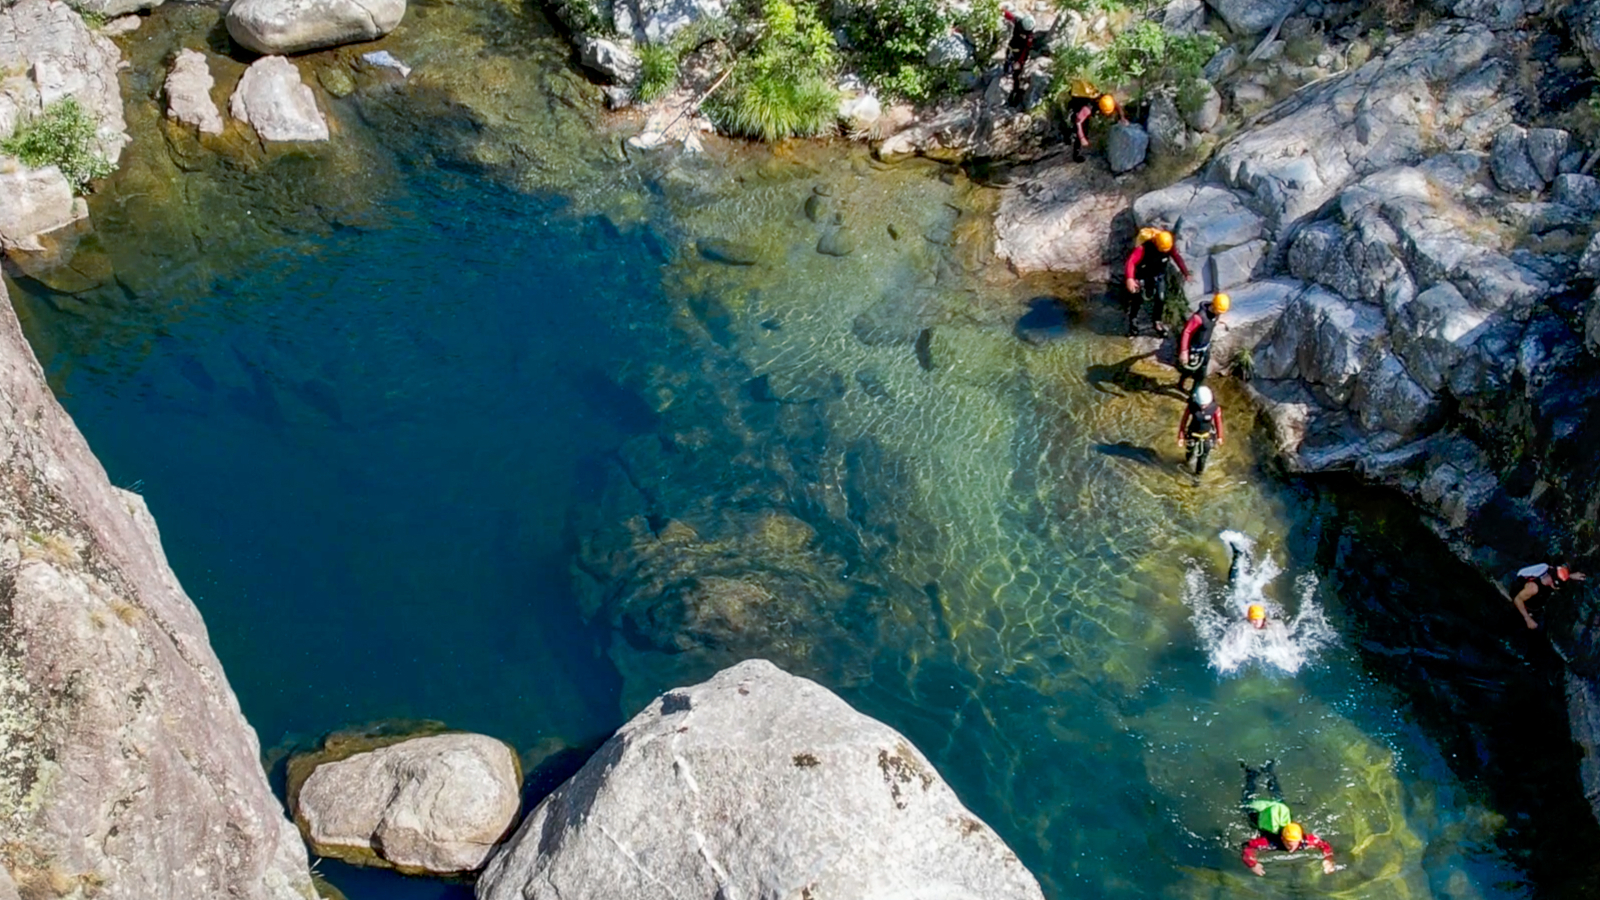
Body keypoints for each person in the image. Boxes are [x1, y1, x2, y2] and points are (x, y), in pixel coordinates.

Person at [1239, 761, 1336, 877]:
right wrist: (1252, 863)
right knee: (1247, 801)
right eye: (1289, 844)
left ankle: (1269, 771)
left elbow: (1324, 844)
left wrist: (1328, 860)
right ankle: (1251, 775)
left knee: (1279, 799)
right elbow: (1247, 846)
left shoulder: (1304, 840)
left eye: (1295, 844)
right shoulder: (1272, 842)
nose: (1292, 848)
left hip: (1279, 813)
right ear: (1282, 839)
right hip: (1259, 816)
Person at [1123, 227, 1192, 337]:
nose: (1164, 252)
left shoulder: (1168, 246)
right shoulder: (1144, 248)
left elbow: (1177, 257)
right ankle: (1133, 321)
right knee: (1138, 298)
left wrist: (1185, 272)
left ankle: (1157, 321)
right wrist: (1130, 278)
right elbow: (1131, 262)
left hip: (1158, 275)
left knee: (1160, 298)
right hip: (1143, 275)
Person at [1177, 293, 1230, 393]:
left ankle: (1193, 394)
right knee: (1190, 370)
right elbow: (1187, 332)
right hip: (1194, 349)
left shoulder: (1215, 315)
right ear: (1213, 306)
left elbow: (1211, 323)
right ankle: (1181, 381)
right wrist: (1184, 351)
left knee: (1201, 374)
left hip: (1205, 348)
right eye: (1219, 311)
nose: (1220, 314)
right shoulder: (1199, 317)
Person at [1510, 562, 1587, 630]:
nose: (1558, 588)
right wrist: (1527, 618)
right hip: (1521, 595)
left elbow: (1557, 573)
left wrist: (1570, 576)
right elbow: (1517, 599)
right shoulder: (1533, 588)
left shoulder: (1548, 569)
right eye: (1557, 585)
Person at [1065, 80, 1128, 162]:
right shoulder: (1088, 108)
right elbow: (1078, 121)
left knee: (1081, 129)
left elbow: (1116, 104)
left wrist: (1122, 117)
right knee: (1080, 129)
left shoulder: (1105, 98)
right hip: (1077, 103)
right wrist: (1082, 138)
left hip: (1084, 93)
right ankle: (1076, 154)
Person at [1000, 8, 1038, 106]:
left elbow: (1025, 50)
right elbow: (1010, 16)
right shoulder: (1019, 22)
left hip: (1020, 54)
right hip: (1011, 48)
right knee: (1007, 62)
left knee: (1016, 75)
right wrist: (1002, 11)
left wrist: (1020, 62)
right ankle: (1005, 72)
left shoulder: (1029, 36)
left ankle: (1014, 94)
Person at [1177, 385, 1223, 462]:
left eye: (1205, 404)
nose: (1203, 406)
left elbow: (1218, 422)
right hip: (1193, 432)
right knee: (1189, 452)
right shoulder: (1191, 406)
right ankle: (1187, 462)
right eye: (1201, 405)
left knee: (1203, 456)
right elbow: (1184, 420)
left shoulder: (1215, 408)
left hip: (1207, 434)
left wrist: (1220, 436)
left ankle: (1199, 473)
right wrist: (1181, 436)